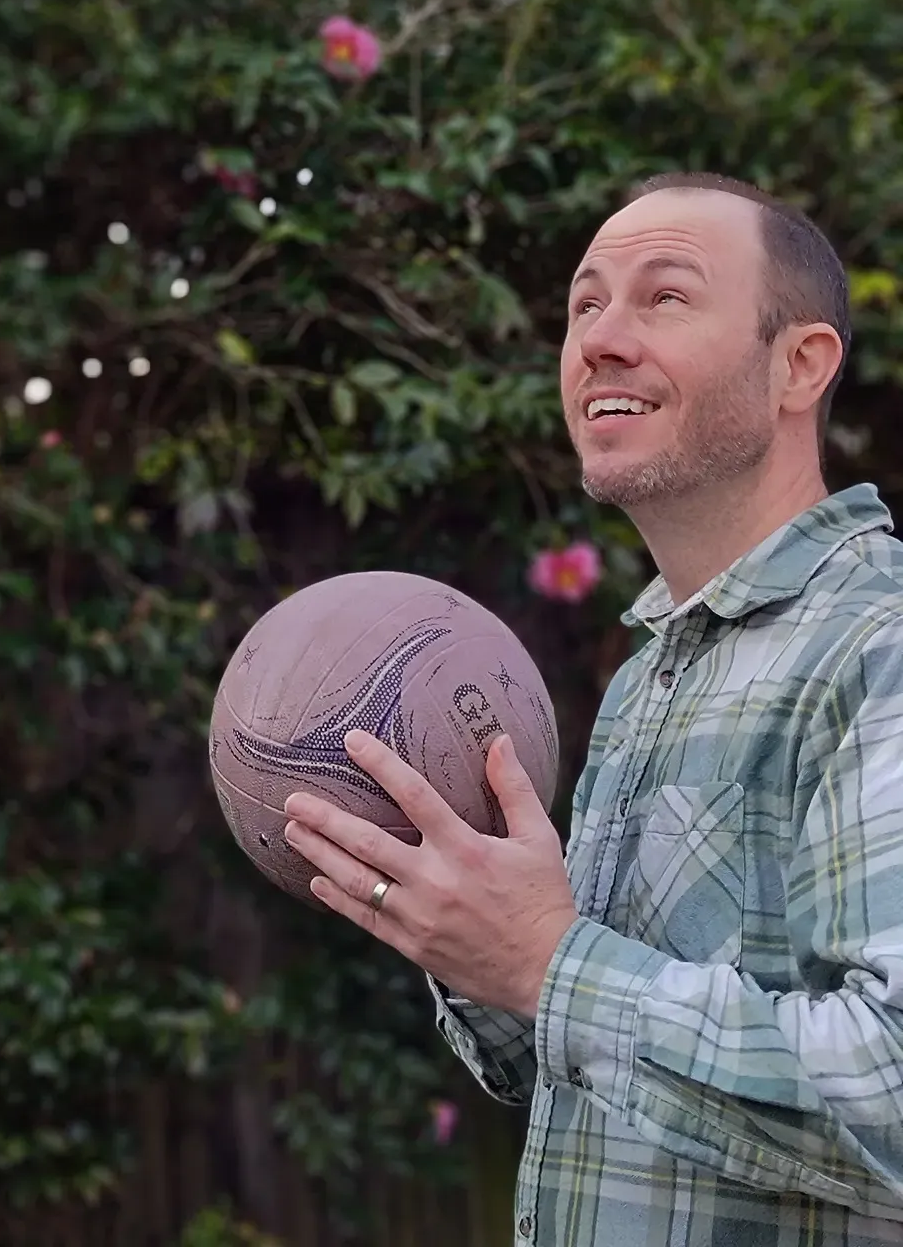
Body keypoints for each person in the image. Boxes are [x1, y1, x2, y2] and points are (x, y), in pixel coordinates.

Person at [282, 172, 903, 1245]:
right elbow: (573, 1069)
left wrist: (549, 960)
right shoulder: (648, 676)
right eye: (584, 305)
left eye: (666, 296)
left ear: (799, 364)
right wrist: (465, 933)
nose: (601, 341)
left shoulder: (877, 644)